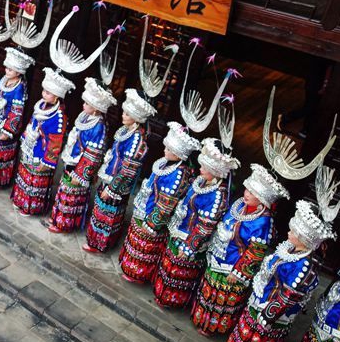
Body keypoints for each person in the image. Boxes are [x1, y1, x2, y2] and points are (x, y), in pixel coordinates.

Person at [191, 165, 288, 336]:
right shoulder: (239, 205)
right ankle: (201, 319)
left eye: (252, 193)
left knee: (223, 299)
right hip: (219, 257)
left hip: (233, 266)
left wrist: (238, 272)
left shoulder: (263, 223)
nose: (247, 194)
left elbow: (255, 253)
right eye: (247, 190)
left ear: (263, 199)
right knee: (208, 291)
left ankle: (214, 327)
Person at [229, 194, 336, 342]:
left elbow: (288, 296)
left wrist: (268, 316)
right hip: (261, 298)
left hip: (270, 314)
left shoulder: (304, 266)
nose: (288, 233)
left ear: (303, 239)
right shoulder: (289, 248)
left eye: (292, 232)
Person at [152, 138, 237, 309]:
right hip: (179, 231)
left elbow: (204, 227)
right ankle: (161, 294)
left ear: (215, 171)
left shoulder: (218, 196)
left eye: (205, 168)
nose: (201, 169)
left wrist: (189, 247)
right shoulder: (200, 182)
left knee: (180, 272)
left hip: (191, 241)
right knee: (169, 266)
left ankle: (173, 300)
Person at [118, 122, 198, 283]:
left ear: (178, 154)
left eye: (169, 149)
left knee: (146, 246)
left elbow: (165, 205)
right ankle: (130, 267)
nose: (164, 150)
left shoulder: (178, 175)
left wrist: (152, 224)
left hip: (153, 216)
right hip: (146, 207)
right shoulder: (165, 163)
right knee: (136, 240)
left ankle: (140, 274)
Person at [84, 88, 154, 253]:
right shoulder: (125, 131)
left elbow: (128, 170)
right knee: (101, 210)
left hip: (117, 184)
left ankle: (101, 244)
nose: (123, 116)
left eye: (127, 114)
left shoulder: (137, 140)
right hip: (110, 177)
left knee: (109, 213)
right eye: (124, 112)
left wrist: (112, 189)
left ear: (136, 119)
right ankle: (95, 240)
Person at [47, 77, 115, 233]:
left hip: (80, 168)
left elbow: (94, 155)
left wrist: (80, 176)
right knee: (63, 190)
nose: (83, 105)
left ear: (97, 108)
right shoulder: (84, 116)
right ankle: (58, 217)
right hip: (72, 161)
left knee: (73, 194)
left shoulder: (99, 127)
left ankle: (65, 224)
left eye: (87, 103)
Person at [11, 68, 72, 216]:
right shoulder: (41, 105)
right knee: (25, 174)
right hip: (31, 146)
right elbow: (32, 121)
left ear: (57, 96)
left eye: (48, 92)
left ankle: (31, 207)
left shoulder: (59, 117)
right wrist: (26, 137)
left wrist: (47, 161)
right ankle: (20, 200)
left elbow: (55, 143)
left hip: (41, 152)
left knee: (35, 179)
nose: (44, 93)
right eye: (44, 90)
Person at [0, 48, 33, 190]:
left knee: (1, 154)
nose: (7, 71)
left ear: (19, 72)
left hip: (5, 125)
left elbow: (17, 111)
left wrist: (7, 130)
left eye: (11, 69)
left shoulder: (19, 87)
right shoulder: (4, 80)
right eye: (7, 68)